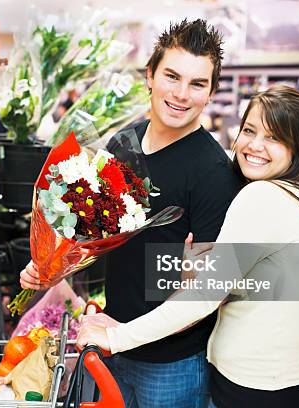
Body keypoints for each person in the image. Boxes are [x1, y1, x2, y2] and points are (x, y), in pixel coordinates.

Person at [21, 19, 241, 407]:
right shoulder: (124, 142)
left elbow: (209, 291)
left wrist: (125, 332)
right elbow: (92, 233)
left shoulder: (214, 172)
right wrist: (50, 264)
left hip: (172, 362)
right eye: (172, 76)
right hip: (112, 341)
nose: (181, 94)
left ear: (210, 93)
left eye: (197, 84)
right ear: (150, 76)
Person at [76, 85, 299, 408]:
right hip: (285, 382)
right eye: (250, 130)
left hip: (252, 390)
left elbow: (204, 297)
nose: (254, 146)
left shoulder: (263, 198)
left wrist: (116, 337)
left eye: (274, 138)